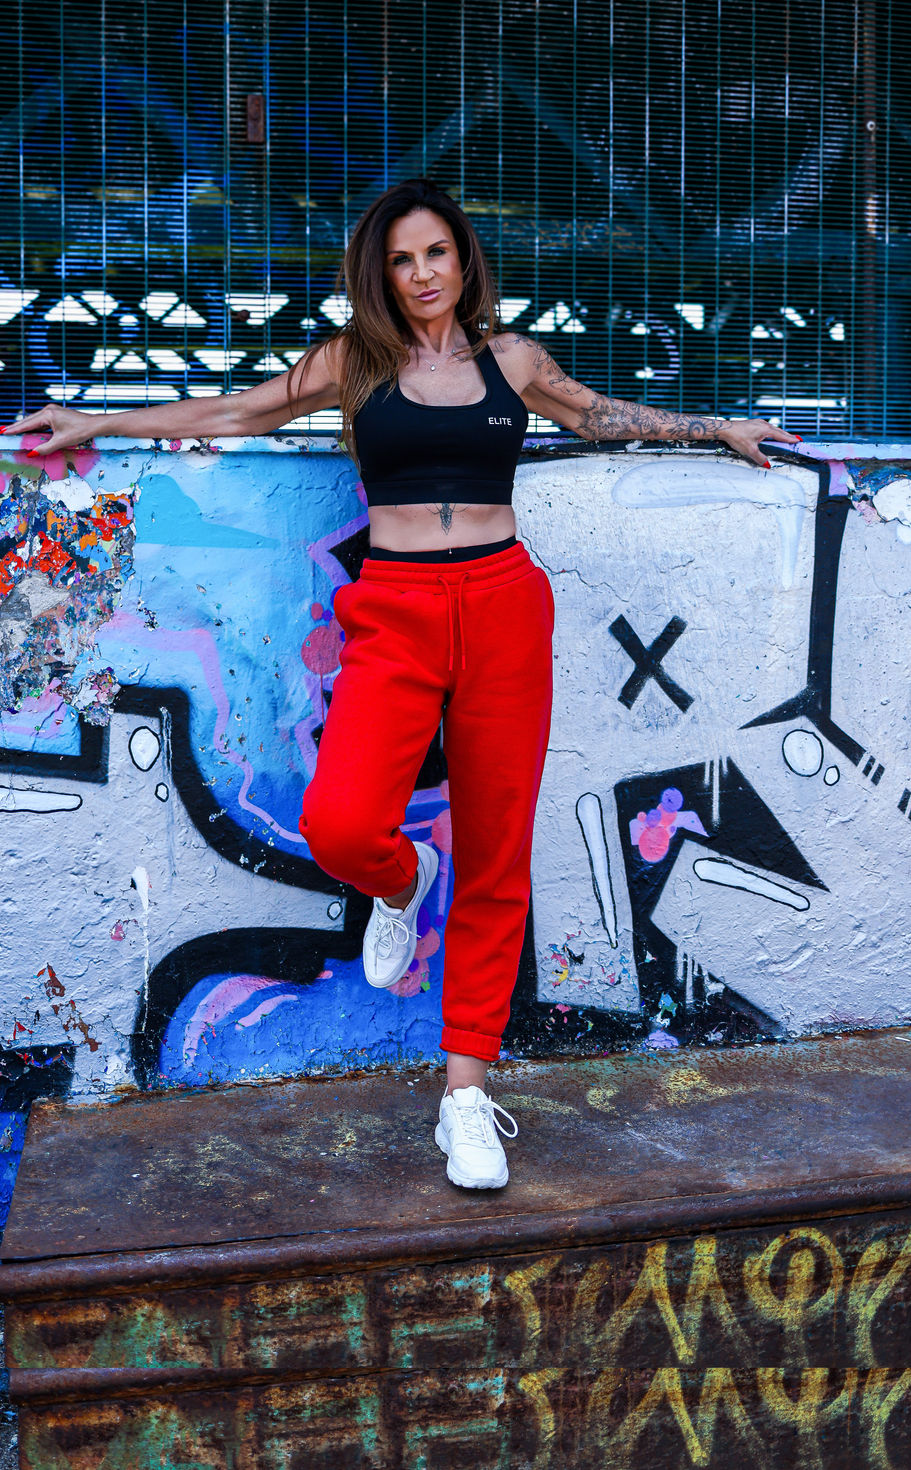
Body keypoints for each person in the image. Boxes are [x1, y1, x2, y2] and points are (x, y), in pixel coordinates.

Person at [3, 177, 797, 1190]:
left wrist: (711, 428)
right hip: (397, 611)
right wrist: (93, 418)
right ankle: (400, 881)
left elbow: (597, 415)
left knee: (499, 847)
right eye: (401, 260)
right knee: (340, 824)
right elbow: (238, 410)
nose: (422, 274)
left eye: (436, 254)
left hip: (505, 607)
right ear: (379, 277)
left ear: (464, 261)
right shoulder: (354, 364)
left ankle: (465, 1095)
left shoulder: (513, 361)